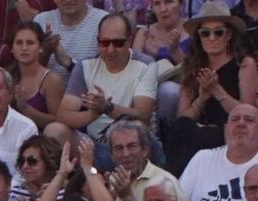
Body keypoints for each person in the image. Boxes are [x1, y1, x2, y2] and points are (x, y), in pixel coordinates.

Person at [169, 2, 258, 172]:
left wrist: (217, 90)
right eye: (205, 33)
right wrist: (201, 99)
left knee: (207, 136)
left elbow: (249, 114)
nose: (212, 38)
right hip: (197, 133)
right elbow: (183, 118)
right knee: (178, 131)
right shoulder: (192, 65)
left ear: (229, 35)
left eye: (218, 32)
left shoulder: (245, 64)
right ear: (199, 37)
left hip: (228, 132)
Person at [58, 13, 155, 168]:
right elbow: (63, 115)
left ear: (129, 41)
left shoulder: (145, 64)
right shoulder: (85, 66)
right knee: (55, 130)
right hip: (95, 147)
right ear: (98, 41)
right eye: (104, 42)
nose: (110, 50)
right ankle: (90, 174)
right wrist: (93, 114)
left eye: (118, 43)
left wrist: (107, 108)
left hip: (132, 147)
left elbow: (143, 116)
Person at [179, 104, 258, 201]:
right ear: (226, 129)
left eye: (249, 120)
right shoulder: (202, 158)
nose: (241, 123)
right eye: (235, 119)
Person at [103, 117, 189, 201]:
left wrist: (128, 198)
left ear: (144, 150)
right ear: (112, 155)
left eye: (131, 146)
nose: (125, 154)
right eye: (119, 148)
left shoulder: (166, 181)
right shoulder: (111, 181)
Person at [10, 20, 68, 133]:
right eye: (19, 43)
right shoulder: (7, 76)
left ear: (41, 47)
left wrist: (26, 109)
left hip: (42, 139)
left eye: (30, 43)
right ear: (12, 48)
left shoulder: (51, 80)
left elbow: (59, 122)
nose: (24, 48)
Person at [35, 0, 107, 78]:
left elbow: (106, 76)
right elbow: (29, 73)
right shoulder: (41, 20)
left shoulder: (103, 21)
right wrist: (45, 53)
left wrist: (67, 62)